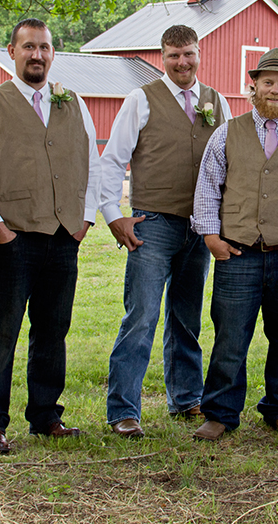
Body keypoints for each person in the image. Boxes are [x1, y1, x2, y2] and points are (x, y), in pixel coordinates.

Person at [0, 18, 101, 453]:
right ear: (12, 51)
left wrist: (85, 221)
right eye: (28, 47)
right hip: (12, 239)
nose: (37, 55)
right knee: (2, 331)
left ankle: (45, 417)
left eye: (44, 47)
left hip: (62, 238)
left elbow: (92, 163)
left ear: (53, 53)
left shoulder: (72, 103)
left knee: (53, 330)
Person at [191, 48, 278, 441]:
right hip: (238, 253)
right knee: (230, 335)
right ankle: (220, 412)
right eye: (268, 82)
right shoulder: (227, 132)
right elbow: (208, 186)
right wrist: (210, 237)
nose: (275, 89)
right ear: (253, 86)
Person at [100, 25, 232, 437]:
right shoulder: (141, 99)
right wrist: (112, 214)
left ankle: (187, 398)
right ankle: (124, 409)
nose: (182, 62)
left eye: (189, 54)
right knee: (142, 316)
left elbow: (230, 164)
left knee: (186, 317)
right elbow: (112, 160)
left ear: (199, 53)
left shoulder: (217, 102)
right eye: (174, 56)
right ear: (162, 57)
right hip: (152, 223)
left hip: (201, 226)